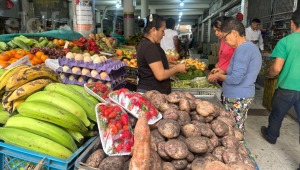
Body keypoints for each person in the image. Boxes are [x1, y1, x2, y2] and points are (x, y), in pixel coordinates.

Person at [207, 18, 262, 146]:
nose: (225, 41)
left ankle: (241, 154)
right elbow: (241, 71)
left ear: (234, 33)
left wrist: (220, 76)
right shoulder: (249, 47)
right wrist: (223, 70)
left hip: (237, 97)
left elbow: (237, 78)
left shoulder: (243, 49)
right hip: (240, 95)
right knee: (237, 126)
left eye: (226, 37)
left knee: (235, 130)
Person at [261, 10, 300, 147]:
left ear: (292, 23)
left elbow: (277, 68)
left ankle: (271, 136)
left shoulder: (285, 41)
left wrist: (269, 74)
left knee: (277, 115)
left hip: (286, 88)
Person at [136, 14, 186, 94]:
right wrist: (177, 69)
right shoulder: (150, 47)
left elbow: (150, 67)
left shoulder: (144, 43)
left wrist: (169, 66)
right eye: (162, 31)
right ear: (153, 30)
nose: (164, 34)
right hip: (151, 94)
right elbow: (160, 75)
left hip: (148, 91)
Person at [211, 16, 236, 87]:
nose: (216, 33)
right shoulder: (223, 40)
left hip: (229, 80)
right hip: (220, 79)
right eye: (215, 31)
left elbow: (238, 64)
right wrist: (218, 65)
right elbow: (225, 57)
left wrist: (224, 71)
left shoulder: (234, 42)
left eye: (218, 30)